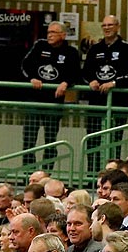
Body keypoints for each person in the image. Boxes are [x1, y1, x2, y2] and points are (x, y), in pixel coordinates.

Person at [19, 20, 82, 155]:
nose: (49, 35)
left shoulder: (71, 52)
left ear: (63, 35)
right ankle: (28, 174)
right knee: (29, 140)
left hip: (54, 102)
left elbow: (76, 74)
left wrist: (66, 83)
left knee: (51, 141)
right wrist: (32, 78)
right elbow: (24, 65)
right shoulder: (39, 45)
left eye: (53, 32)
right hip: (34, 100)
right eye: (48, 32)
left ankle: (47, 173)